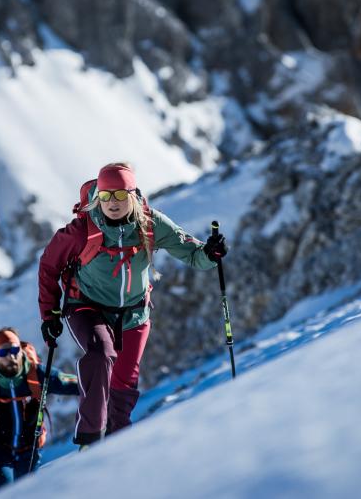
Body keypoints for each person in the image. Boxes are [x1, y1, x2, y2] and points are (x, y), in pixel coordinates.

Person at [38, 162, 228, 449]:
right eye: (105, 196)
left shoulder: (150, 225)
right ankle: (90, 438)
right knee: (101, 355)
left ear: (133, 194)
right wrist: (50, 313)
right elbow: (49, 266)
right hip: (87, 307)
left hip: (136, 313)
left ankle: (116, 448)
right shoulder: (81, 231)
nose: (112, 203)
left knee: (123, 388)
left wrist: (210, 254)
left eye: (119, 195)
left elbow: (191, 254)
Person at [0, 327, 78, 497]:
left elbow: (73, 383)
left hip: (29, 448)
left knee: (27, 494)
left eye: (15, 349)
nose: (11, 356)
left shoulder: (37, 373)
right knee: (6, 492)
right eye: (4, 352)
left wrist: (108, 383)